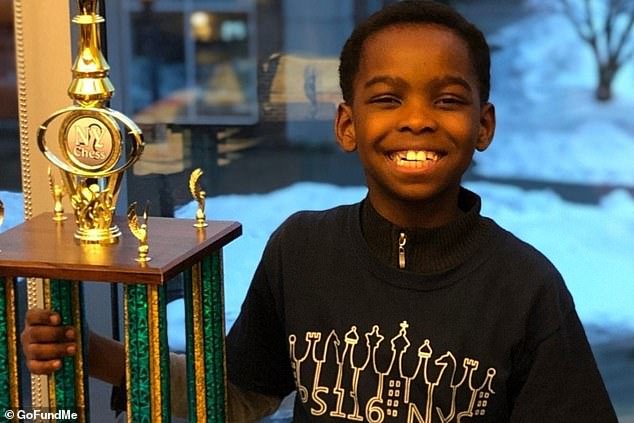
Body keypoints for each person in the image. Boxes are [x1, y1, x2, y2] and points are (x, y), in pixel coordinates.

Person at [21, 1, 618, 421]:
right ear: (347, 125)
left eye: (448, 99)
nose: (416, 118)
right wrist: (97, 354)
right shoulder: (303, 250)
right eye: (387, 98)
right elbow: (235, 395)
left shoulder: (525, 286)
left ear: (483, 125)